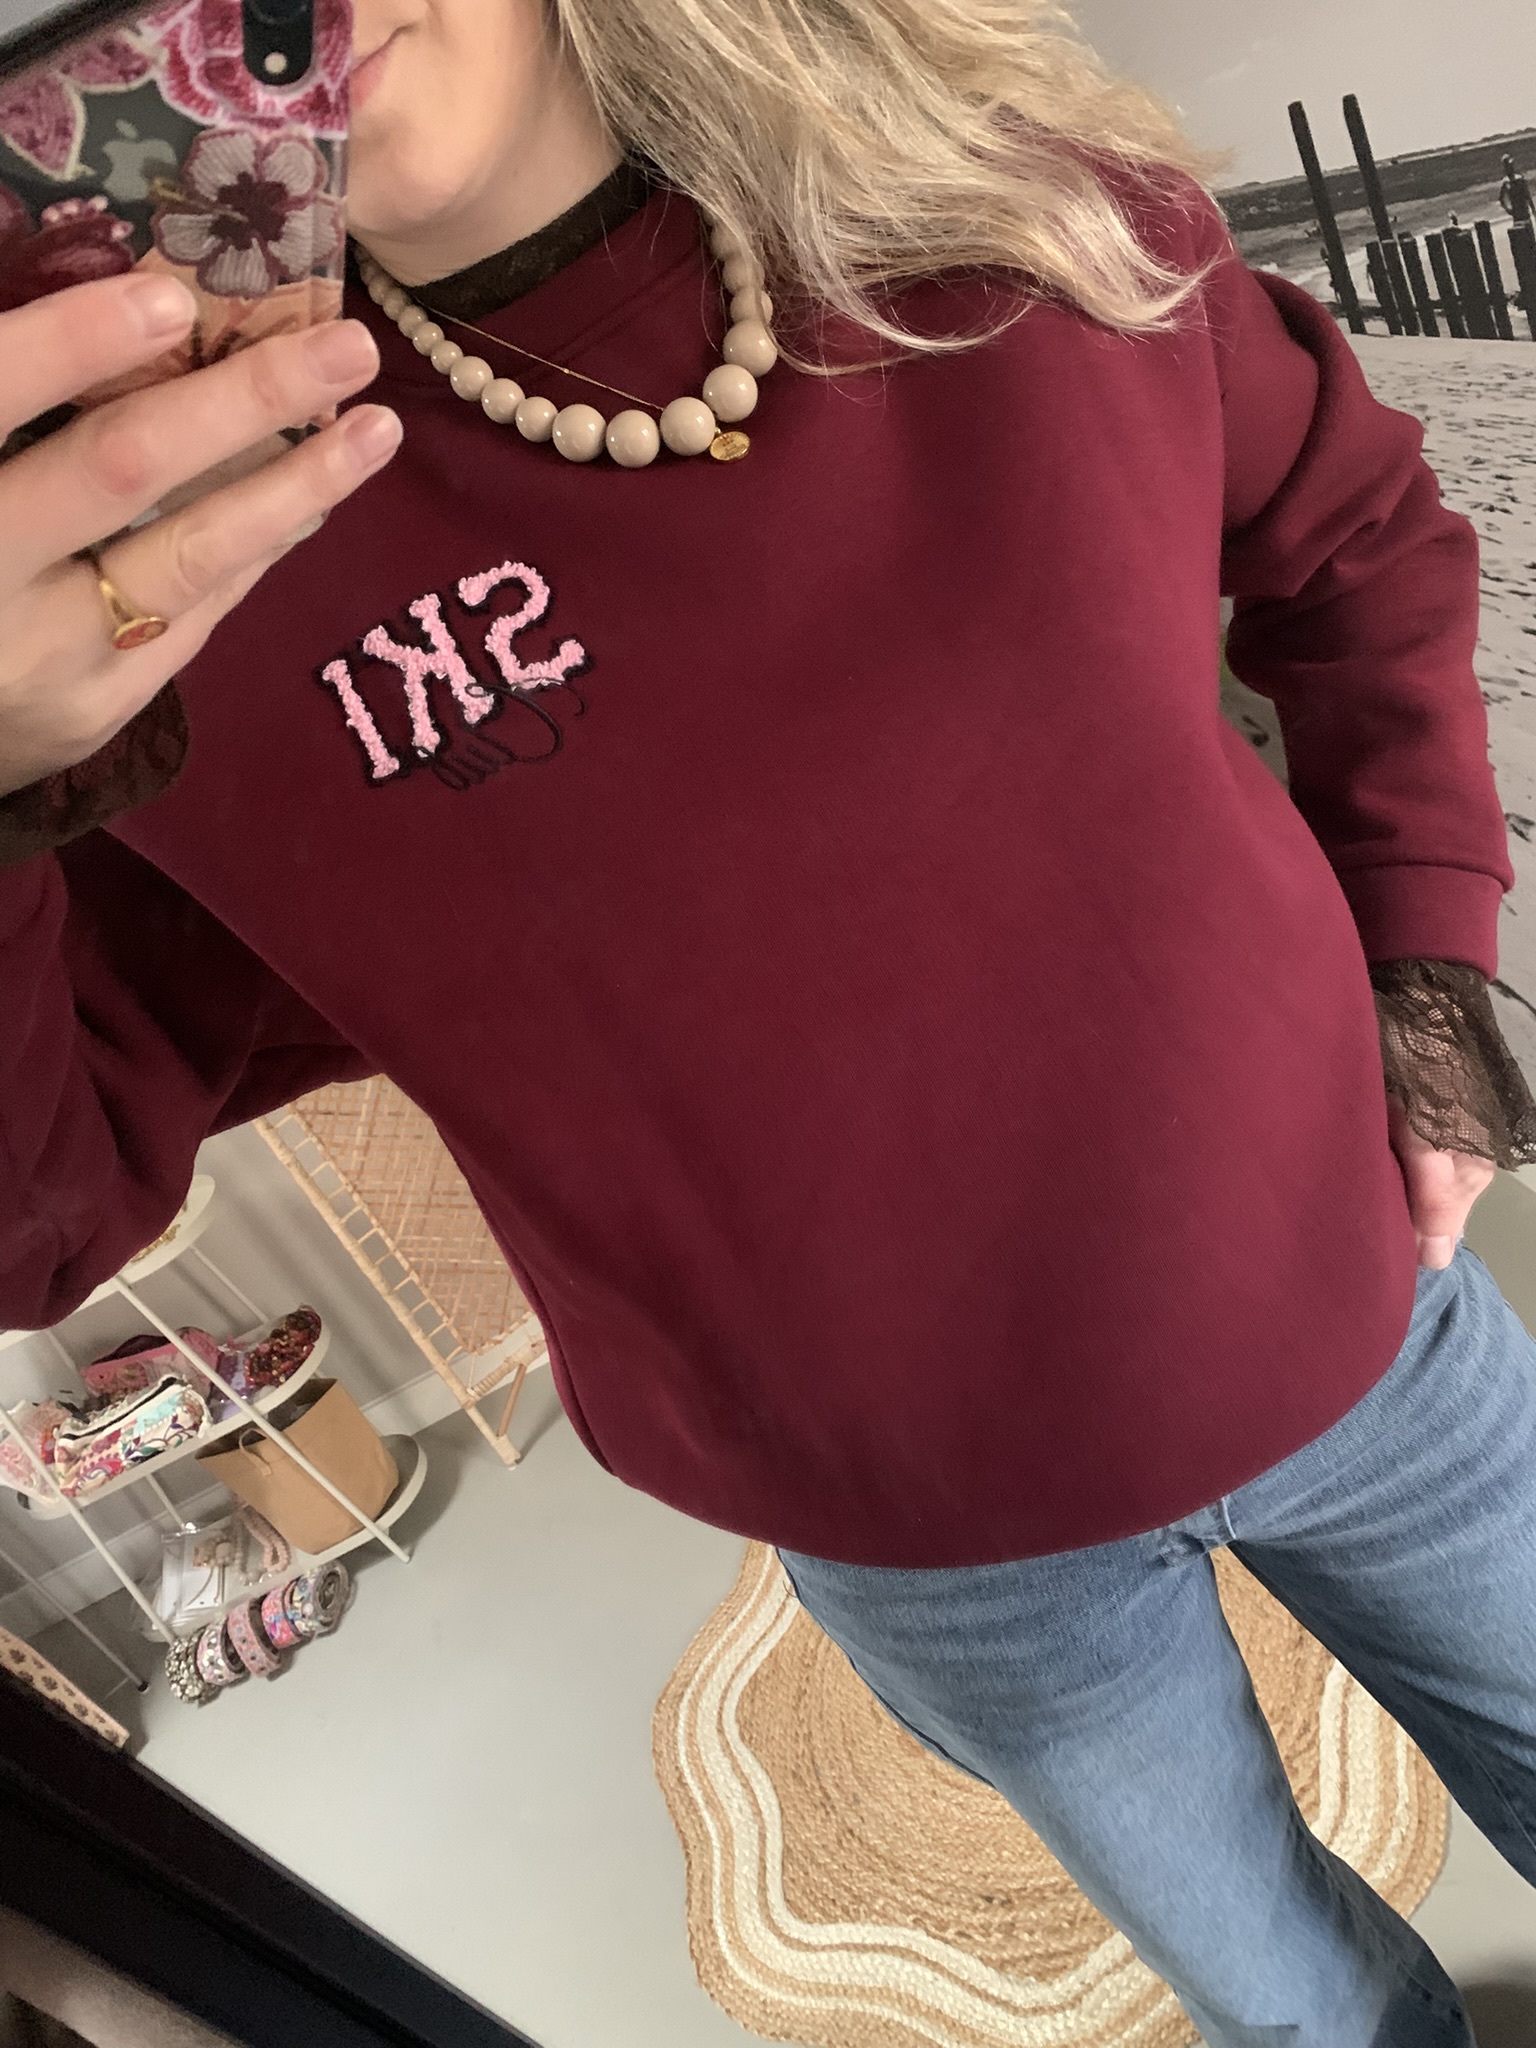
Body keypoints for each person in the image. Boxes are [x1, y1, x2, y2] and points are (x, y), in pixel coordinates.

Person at [2, 0, 1535, 2040]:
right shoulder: (136, 586)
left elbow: (1351, 527)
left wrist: (1427, 952)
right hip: (929, 1546)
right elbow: (39, 1204)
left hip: (1372, 1328)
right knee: (1302, 2012)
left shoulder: (993, 197)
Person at [1498, 153, 1533, 226]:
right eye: (1508, 166)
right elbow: (1501, 199)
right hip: (1516, 214)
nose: (1510, 168)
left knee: (1528, 229)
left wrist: (1533, 210)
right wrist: (1508, 210)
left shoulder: (1520, 179)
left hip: (1525, 211)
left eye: (1511, 165)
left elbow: (1527, 196)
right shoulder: (1506, 182)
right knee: (1520, 230)